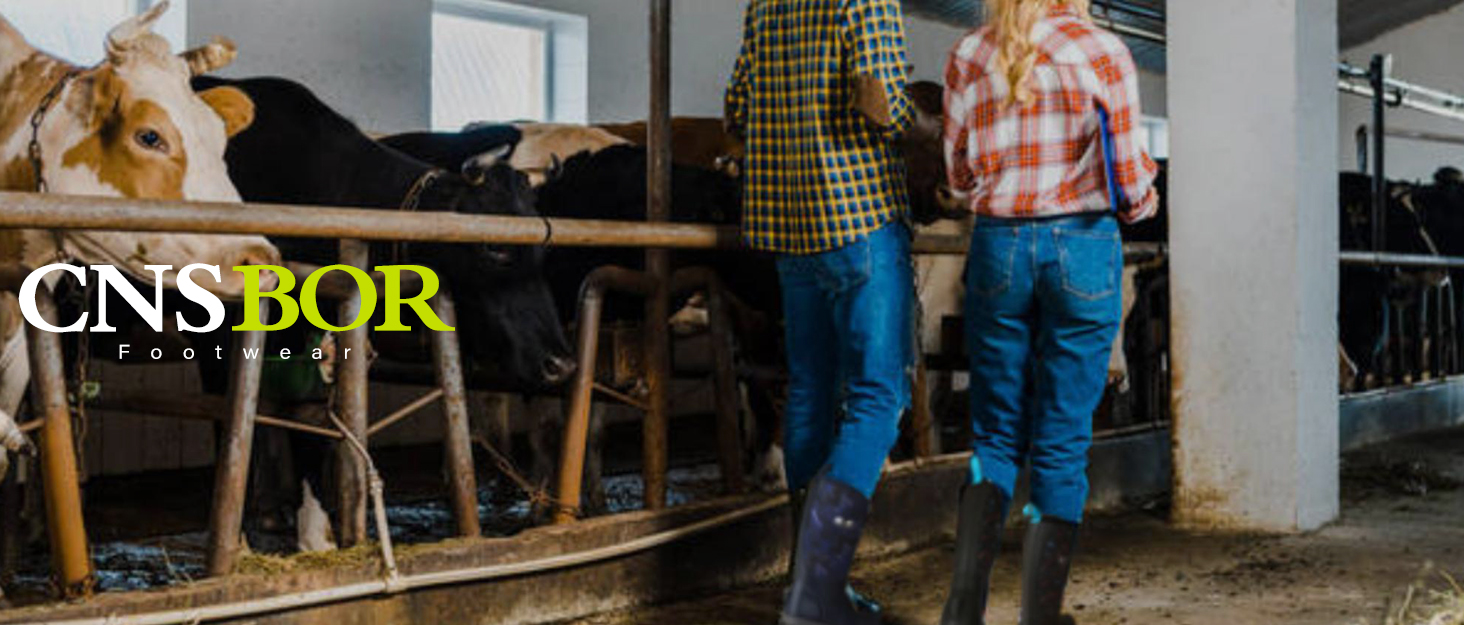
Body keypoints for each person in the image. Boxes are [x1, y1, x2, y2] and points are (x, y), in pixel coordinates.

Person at [938, 1, 1158, 624]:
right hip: (1081, 246)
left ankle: (962, 611)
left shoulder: (969, 51)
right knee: (1061, 442)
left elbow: (958, 176)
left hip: (999, 245)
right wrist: (1142, 201)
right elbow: (1130, 182)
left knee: (993, 435)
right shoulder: (1102, 50)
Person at [724, 1, 915, 624]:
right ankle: (817, 590)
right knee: (879, 399)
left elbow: (737, 107)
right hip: (859, 218)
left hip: (789, 229)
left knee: (809, 390)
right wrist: (921, 125)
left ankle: (808, 584)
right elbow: (883, 102)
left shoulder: (764, 4)